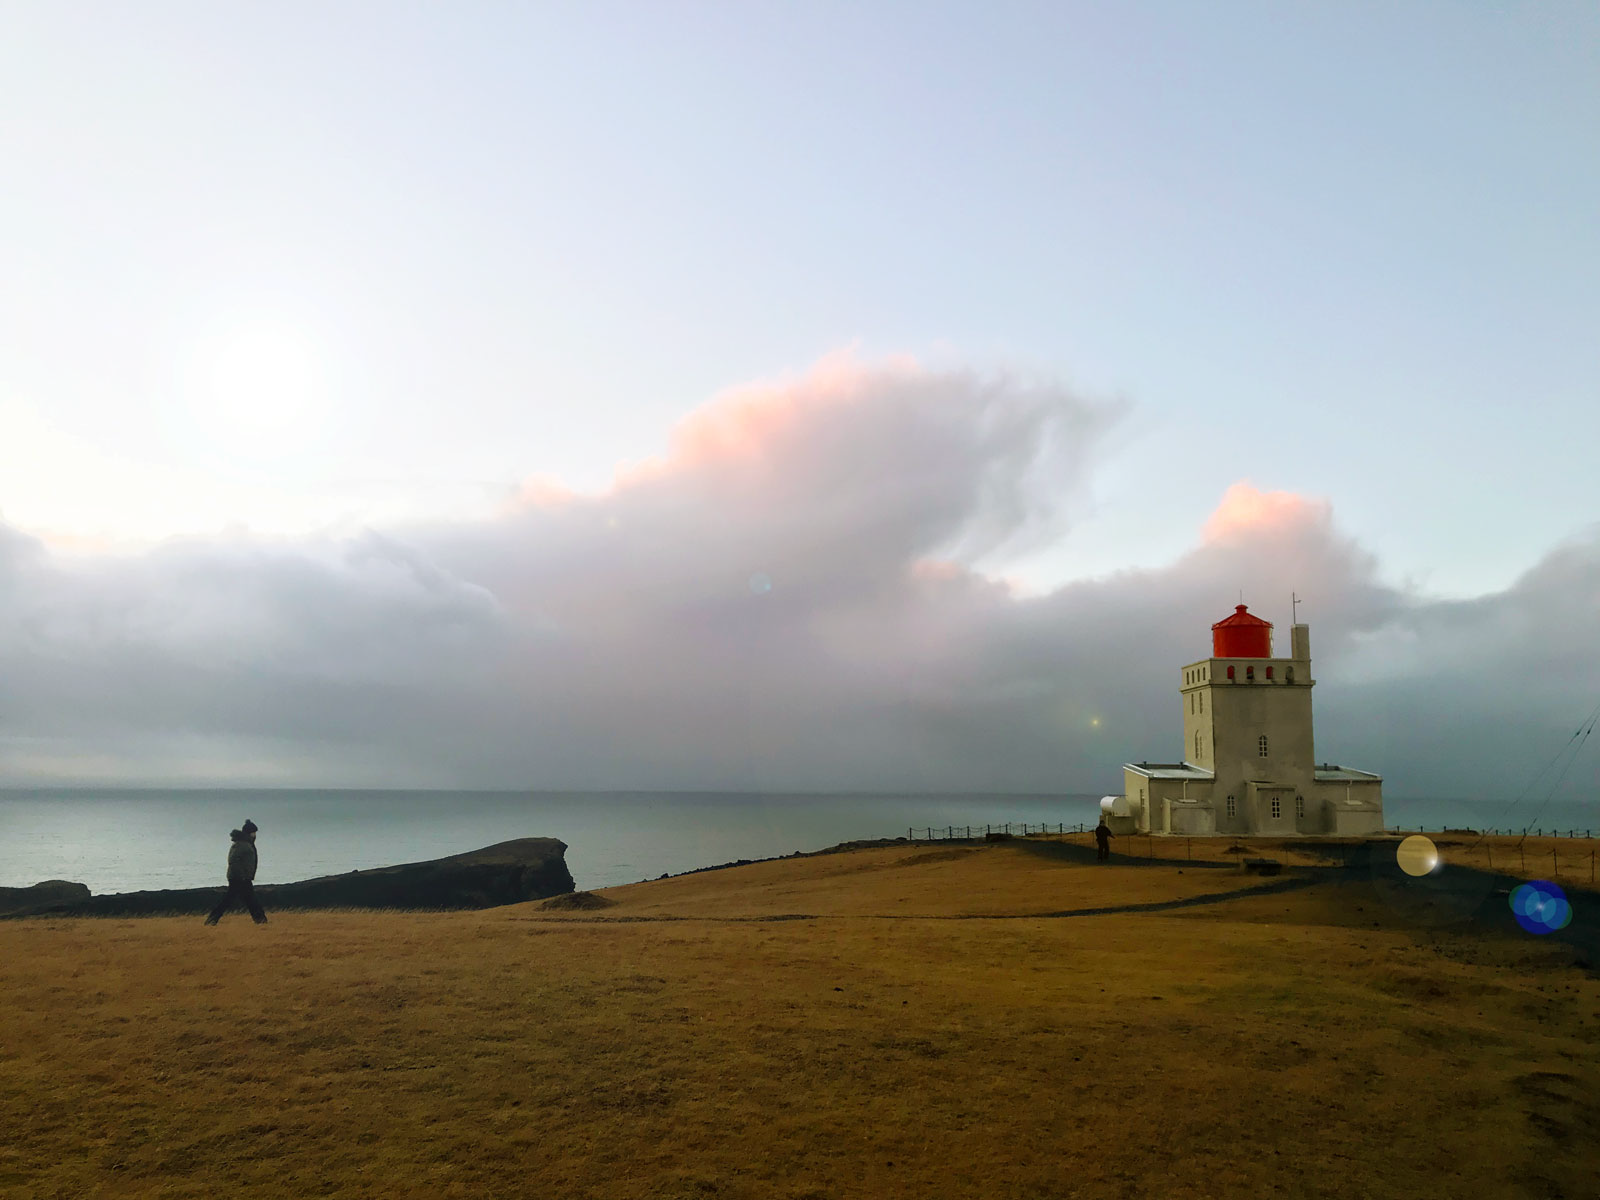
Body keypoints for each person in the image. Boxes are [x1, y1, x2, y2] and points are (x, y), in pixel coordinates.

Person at [205, 818, 267, 925]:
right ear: (249, 833)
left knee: (248, 900)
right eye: (254, 832)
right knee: (237, 900)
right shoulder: (243, 845)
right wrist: (242, 876)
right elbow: (234, 861)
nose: (255, 835)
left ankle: (261, 920)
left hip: (241, 877)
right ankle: (261, 920)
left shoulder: (243, 844)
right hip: (240, 878)